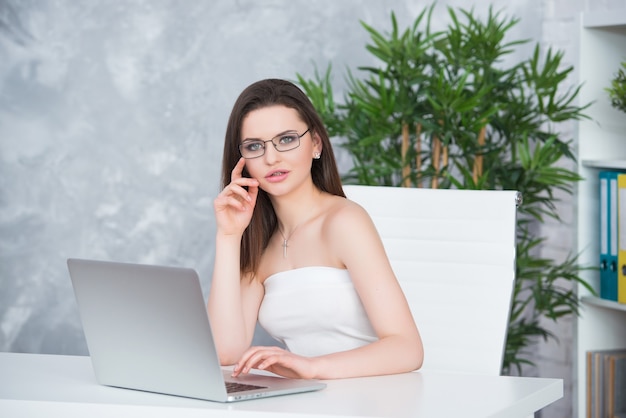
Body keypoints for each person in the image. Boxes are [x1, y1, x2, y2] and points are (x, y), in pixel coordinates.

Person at [208, 78, 423, 380]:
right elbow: (224, 351)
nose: (272, 158)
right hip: (311, 400)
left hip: (376, 395)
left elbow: (407, 348)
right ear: (241, 161)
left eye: (286, 139)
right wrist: (229, 237)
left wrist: (312, 367)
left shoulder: (344, 221)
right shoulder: (259, 243)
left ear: (316, 144)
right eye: (255, 146)